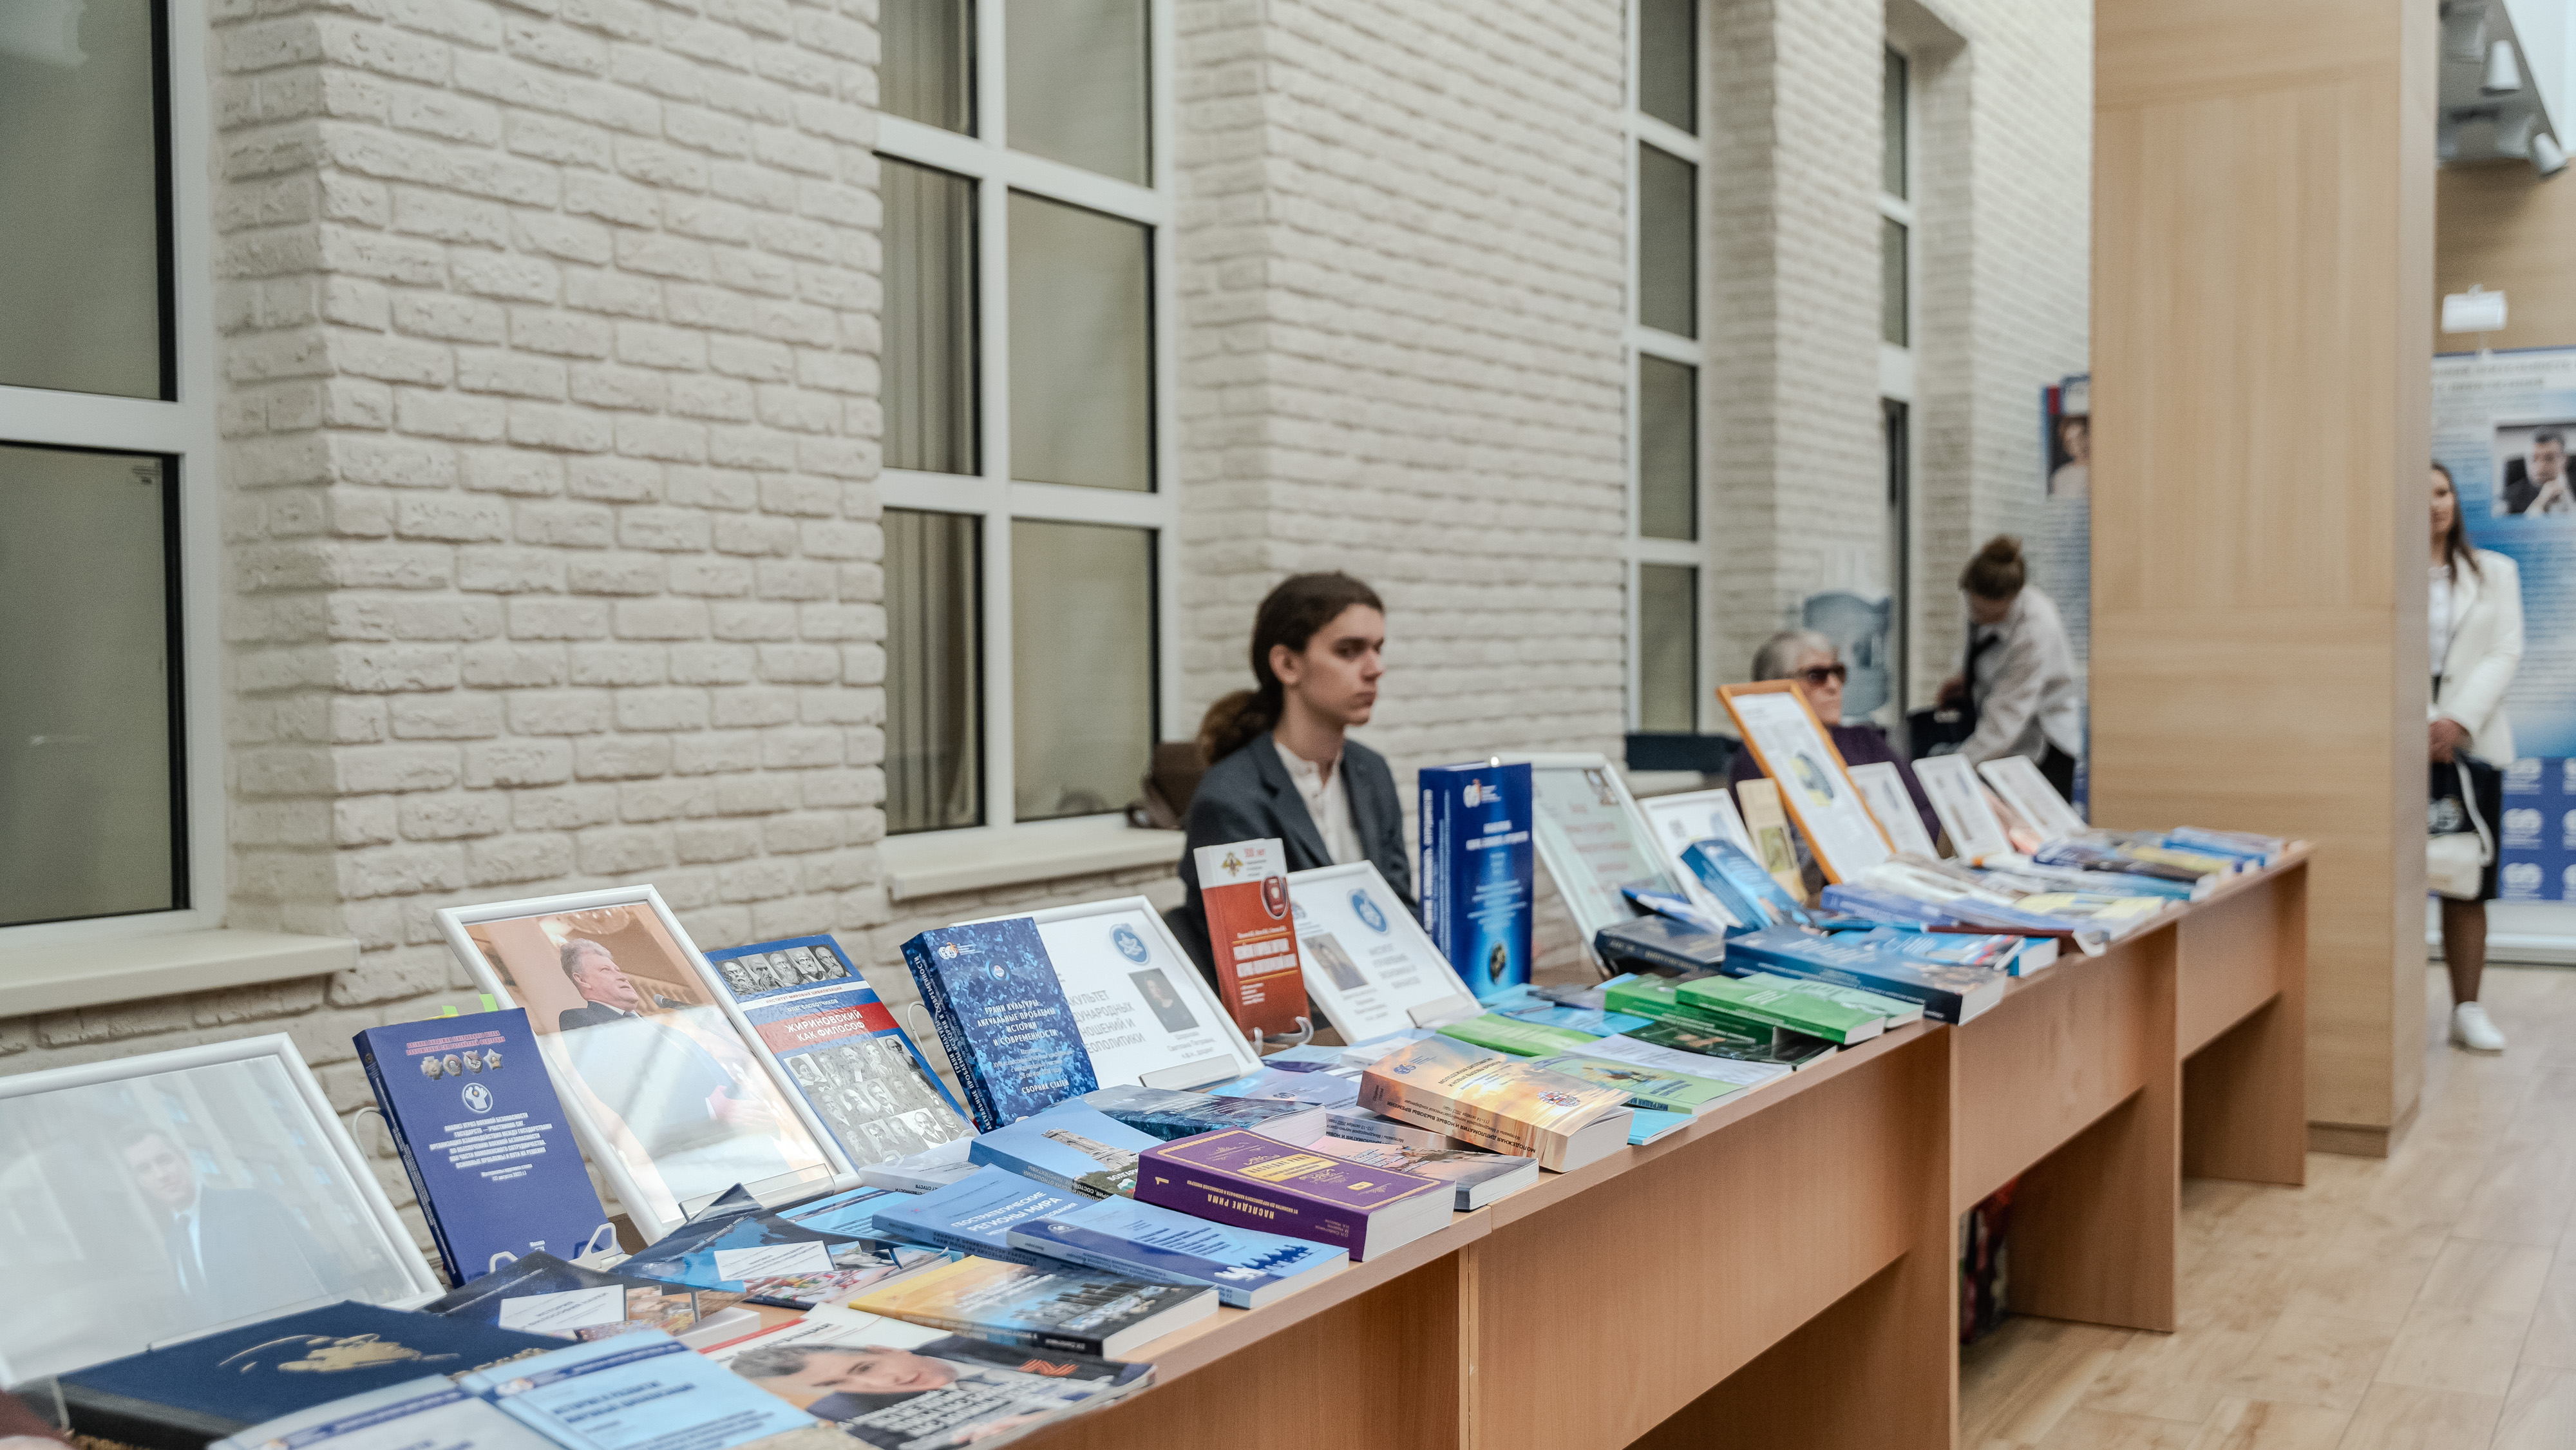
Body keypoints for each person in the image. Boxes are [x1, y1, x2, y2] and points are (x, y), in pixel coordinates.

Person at [1173, 573, 1412, 986]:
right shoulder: (1230, 797)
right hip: (1302, 1015)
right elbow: (1258, 969)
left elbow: (1400, 912)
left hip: (1389, 998)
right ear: (1287, 664)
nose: (1376, 669)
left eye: (1378, 649)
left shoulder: (1371, 771)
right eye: (1349, 651)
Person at [2430, 461, 2523, 1054]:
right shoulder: (2384, 575)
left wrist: (2456, 720)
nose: (2434, 504)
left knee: (2466, 880)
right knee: (2393, 881)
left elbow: (2505, 650)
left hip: (2472, 748)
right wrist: (2418, 724)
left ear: (2456, 500)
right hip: (2396, 747)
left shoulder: (2495, 572)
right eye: (2420, 495)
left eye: (2442, 492)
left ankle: (2467, 1009)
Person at [554, 939, 782, 1158]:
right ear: (583, 980)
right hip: (693, 1153)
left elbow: (718, 1077)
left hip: (752, 1141)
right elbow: (621, 1088)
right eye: (606, 970)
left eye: (618, 969)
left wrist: (758, 1113)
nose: (622, 976)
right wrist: (711, 1109)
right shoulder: (580, 1020)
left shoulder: (665, 1031)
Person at [1728, 629, 1940, 847]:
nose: (1834, 685)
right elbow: (1772, 849)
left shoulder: (1864, 741)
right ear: (1775, 687)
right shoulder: (1759, 757)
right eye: (1815, 676)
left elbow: (1926, 810)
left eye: (1837, 672)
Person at [118, 1124, 329, 1328]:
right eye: (145, 1169)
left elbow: (318, 1277)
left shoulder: (252, 1206)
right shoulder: (173, 1241)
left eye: (164, 1160)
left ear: (183, 1159)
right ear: (139, 1181)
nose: (161, 1175)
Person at [1937, 536, 2083, 799]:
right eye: (1972, 606)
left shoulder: (2034, 629)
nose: (1976, 616)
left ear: (2012, 599)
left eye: (1986, 613)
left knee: (2031, 821)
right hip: (2003, 731)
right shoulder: (1977, 604)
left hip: (2045, 741)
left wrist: (1951, 771)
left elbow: (2005, 721)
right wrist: (1966, 680)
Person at [2504, 429, 2572, 515]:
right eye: (2534, 459)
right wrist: (2541, 500)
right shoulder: (2510, 499)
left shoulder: (2573, 486)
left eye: (2549, 458)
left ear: (2564, 460)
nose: (2541, 466)